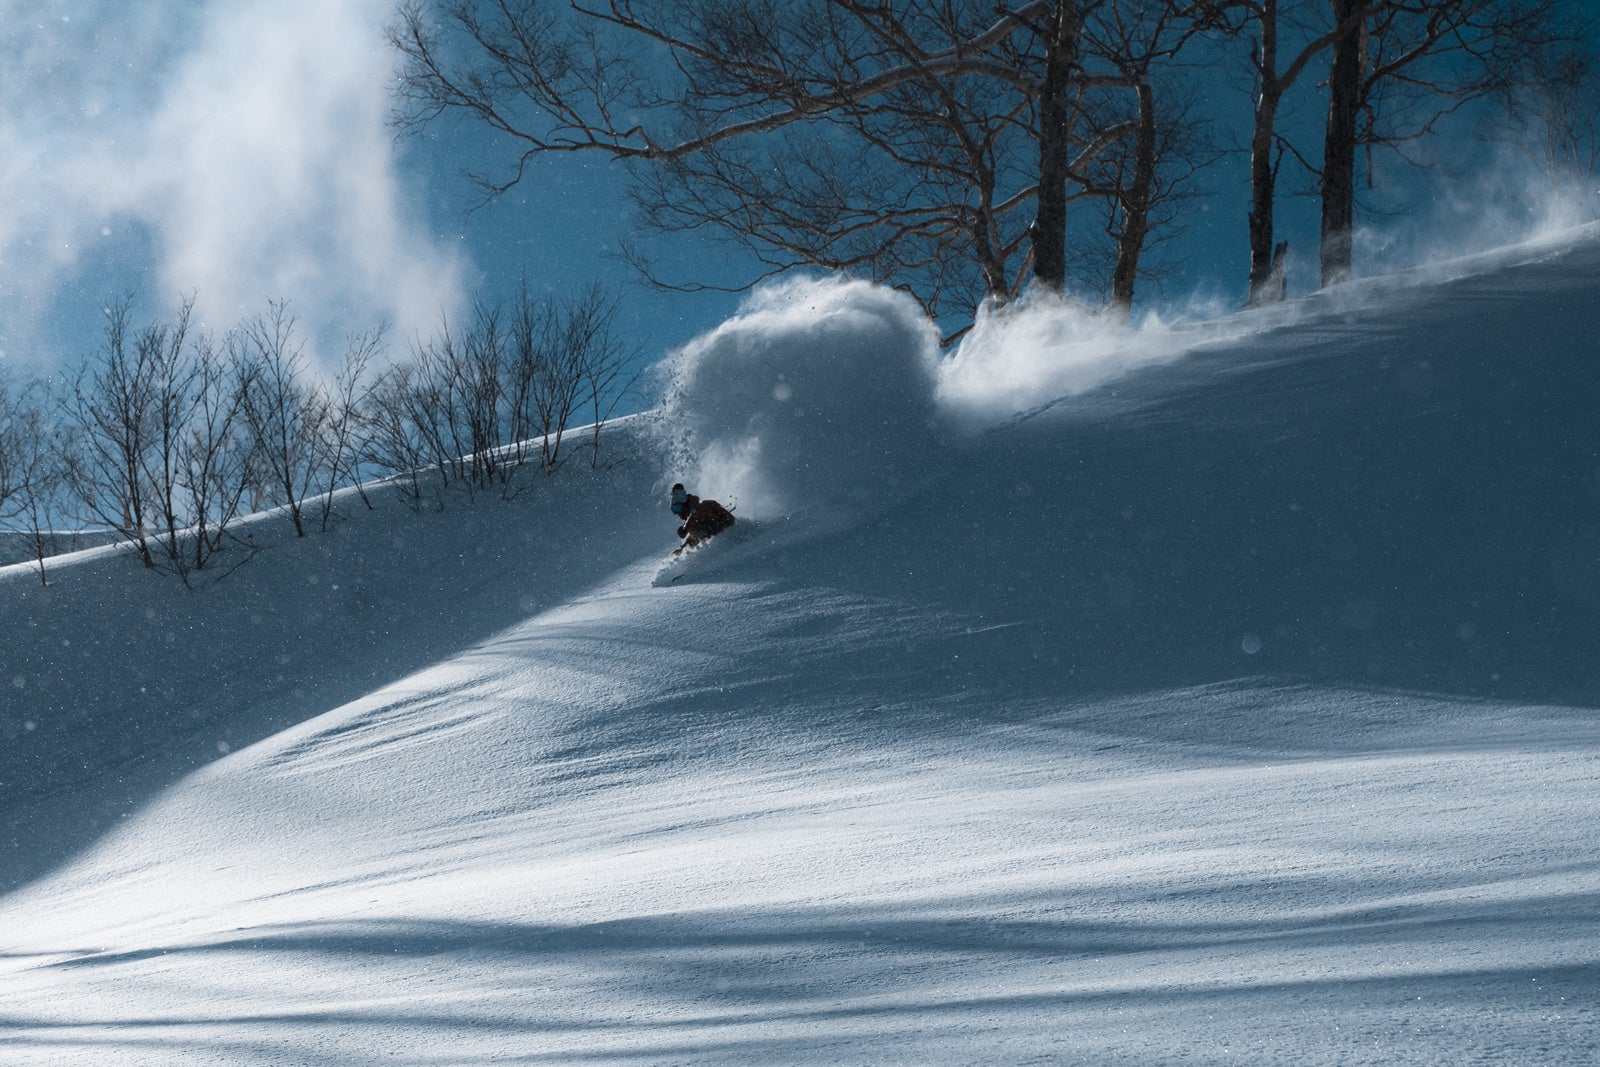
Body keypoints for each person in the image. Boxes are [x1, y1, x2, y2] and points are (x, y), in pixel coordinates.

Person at [669, 482, 735, 552]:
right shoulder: (691, 523)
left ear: (685, 505)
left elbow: (730, 520)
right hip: (722, 545)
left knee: (698, 529)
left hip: (729, 536)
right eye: (675, 509)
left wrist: (686, 528)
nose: (677, 513)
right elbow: (694, 537)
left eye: (678, 508)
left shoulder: (705, 506)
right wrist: (683, 549)